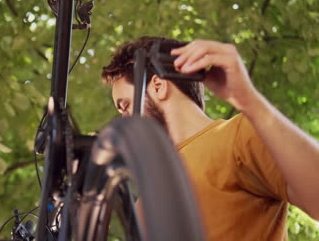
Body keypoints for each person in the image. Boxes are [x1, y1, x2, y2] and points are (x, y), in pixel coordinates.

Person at [101, 36, 319, 240]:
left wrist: (250, 101)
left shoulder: (237, 135)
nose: (124, 122)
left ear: (158, 87)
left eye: (126, 106)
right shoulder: (144, 200)